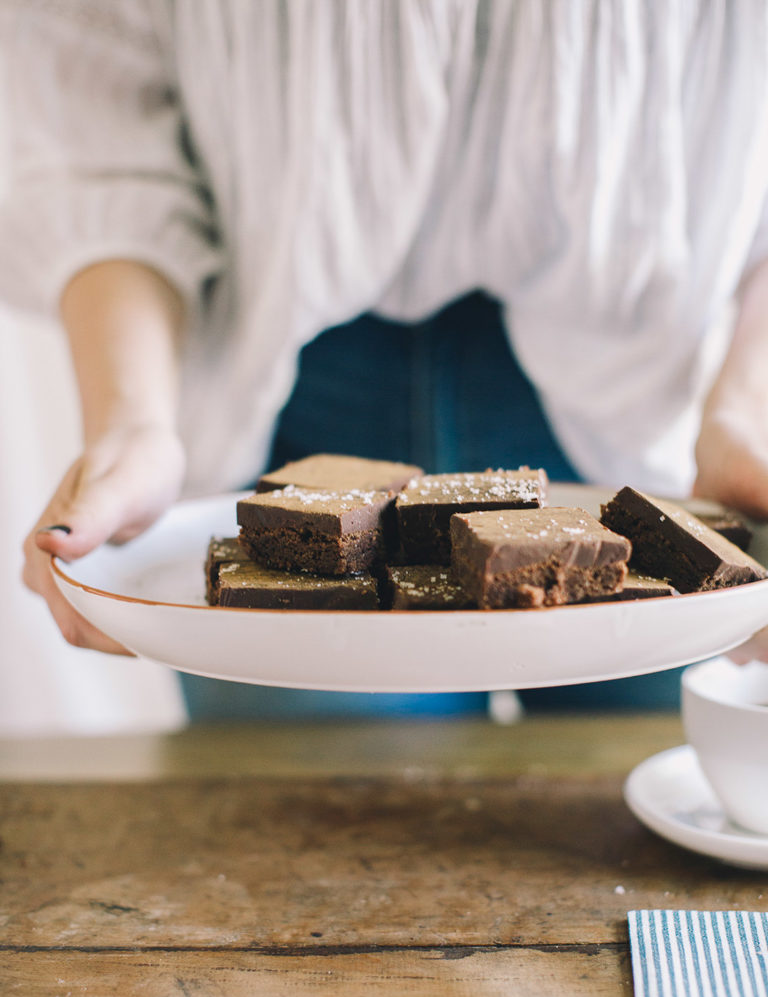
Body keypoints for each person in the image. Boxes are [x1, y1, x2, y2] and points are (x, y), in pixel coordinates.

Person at [2, 1, 768, 715]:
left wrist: (748, 415)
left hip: (633, 418)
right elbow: (94, 120)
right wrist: (135, 424)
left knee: (626, 807)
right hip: (283, 396)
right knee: (319, 832)